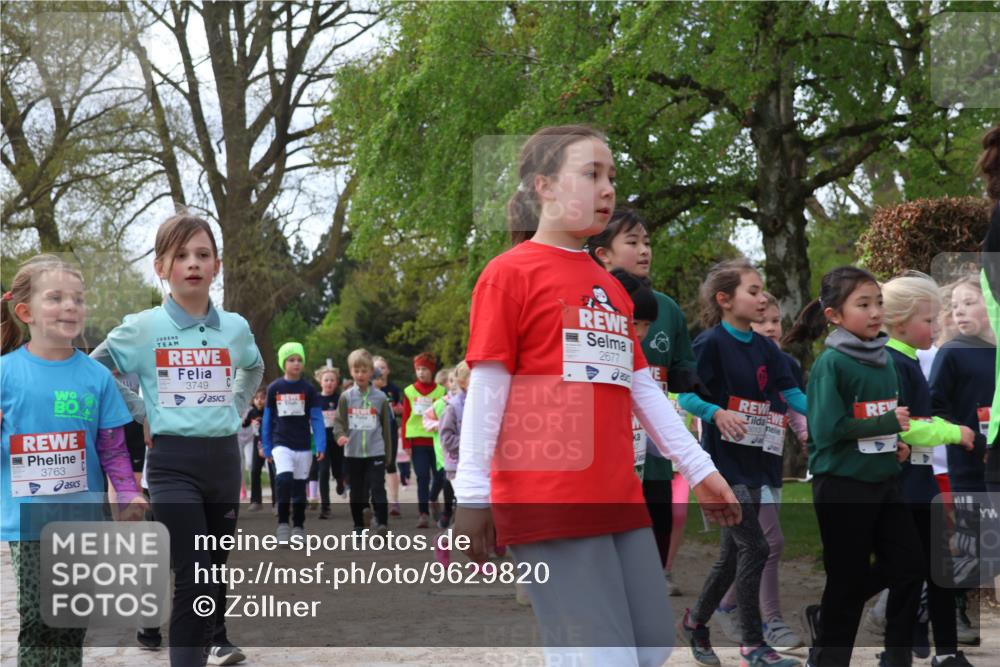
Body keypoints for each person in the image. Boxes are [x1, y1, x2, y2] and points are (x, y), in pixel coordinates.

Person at [453, 124, 740, 667]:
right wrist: (472, 495)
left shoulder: (608, 284)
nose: (608, 189)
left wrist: (698, 469)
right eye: (591, 174)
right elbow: (487, 389)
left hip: (619, 497)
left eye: (611, 176)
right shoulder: (506, 274)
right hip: (549, 496)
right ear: (544, 186)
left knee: (650, 647)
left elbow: (641, 389)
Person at [92, 214, 263, 666]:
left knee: (212, 570)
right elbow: (96, 368)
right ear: (161, 267)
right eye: (181, 255)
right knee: (192, 574)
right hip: (170, 463)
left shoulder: (236, 327)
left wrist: (236, 405)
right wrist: (142, 411)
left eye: (202, 255)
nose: (193, 263)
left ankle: (211, 639)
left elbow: (254, 366)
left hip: (225, 461)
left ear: (217, 266)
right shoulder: (142, 327)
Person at [1, 255, 146, 666]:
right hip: (28, 520)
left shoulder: (97, 377)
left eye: (78, 299)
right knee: (39, 617)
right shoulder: (5, 373)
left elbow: (113, 446)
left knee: (71, 621)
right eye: (57, 297)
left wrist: (128, 491)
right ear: (25, 311)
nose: (70, 306)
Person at [784, 266, 923, 667]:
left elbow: (877, 422)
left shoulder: (886, 359)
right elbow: (826, 431)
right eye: (863, 304)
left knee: (910, 568)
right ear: (835, 316)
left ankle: (896, 659)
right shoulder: (833, 364)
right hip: (843, 487)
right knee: (846, 586)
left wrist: (894, 444)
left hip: (884, 482)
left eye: (878, 302)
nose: (876, 311)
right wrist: (885, 425)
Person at [676, 259, 805, 667]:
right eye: (753, 290)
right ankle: (753, 643)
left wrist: (825, 418)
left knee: (732, 555)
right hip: (725, 466)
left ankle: (696, 622)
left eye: (762, 290)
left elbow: (790, 394)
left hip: (759, 460)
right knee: (756, 544)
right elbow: (686, 396)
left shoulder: (767, 348)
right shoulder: (710, 344)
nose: (762, 296)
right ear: (725, 299)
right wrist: (717, 413)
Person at [588, 208, 708, 596]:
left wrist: (693, 389)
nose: (644, 251)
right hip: (600, 445)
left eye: (648, 243)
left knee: (656, 515)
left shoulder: (667, 308)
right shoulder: (586, 302)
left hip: (653, 446)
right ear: (602, 253)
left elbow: (681, 365)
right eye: (633, 242)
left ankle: (649, 581)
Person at [713, 292, 807, 653]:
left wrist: (804, 433)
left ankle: (723, 606)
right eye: (761, 321)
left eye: (776, 321)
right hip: (735, 468)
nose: (770, 327)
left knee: (749, 549)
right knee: (769, 543)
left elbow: (792, 402)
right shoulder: (729, 359)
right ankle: (772, 622)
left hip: (769, 462)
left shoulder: (785, 364)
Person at [262, 342, 326, 543]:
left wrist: (321, 444)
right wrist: (266, 446)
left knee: (299, 489)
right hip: (281, 443)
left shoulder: (309, 389)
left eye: (299, 360)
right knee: (284, 480)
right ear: (283, 363)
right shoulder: (274, 388)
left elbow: (316, 418)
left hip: (304, 445)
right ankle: (282, 524)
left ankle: (298, 526)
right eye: (291, 360)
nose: (296, 363)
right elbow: (267, 420)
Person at [334, 348, 394, 535]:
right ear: (351, 371)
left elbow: (386, 429)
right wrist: (340, 435)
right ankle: (359, 525)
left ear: (371, 372)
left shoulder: (380, 398)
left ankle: (382, 523)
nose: (360, 374)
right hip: (353, 453)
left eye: (364, 371)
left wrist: (388, 455)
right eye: (356, 370)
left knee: (377, 487)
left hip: (376, 451)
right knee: (357, 491)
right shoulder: (346, 397)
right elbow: (338, 422)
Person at [402, 352, 446, 527]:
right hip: (417, 440)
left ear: (432, 371)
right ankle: (423, 513)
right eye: (418, 369)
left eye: (425, 369)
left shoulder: (441, 391)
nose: (421, 372)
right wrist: (406, 442)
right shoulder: (409, 391)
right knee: (421, 477)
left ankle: (433, 498)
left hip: (436, 440)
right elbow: (405, 418)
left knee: (440, 476)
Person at [373, 356, 407, 514]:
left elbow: (399, 409)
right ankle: (376, 502)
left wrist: (397, 410)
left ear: (388, 370)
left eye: (383, 367)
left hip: (390, 431)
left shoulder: (393, 389)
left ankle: (394, 502)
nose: (380, 371)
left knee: (390, 464)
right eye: (376, 367)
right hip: (372, 432)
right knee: (373, 467)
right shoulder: (369, 389)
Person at [315, 366, 343, 518]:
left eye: (332, 380)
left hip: (337, 439)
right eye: (326, 380)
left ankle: (340, 481)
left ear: (337, 382)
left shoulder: (340, 399)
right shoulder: (316, 399)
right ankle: (325, 507)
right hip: (322, 440)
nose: (329, 383)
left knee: (338, 469)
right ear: (320, 382)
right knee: (323, 471)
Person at [243, 388, 274, 512]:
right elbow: (244, 424)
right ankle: (256, 501)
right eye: (256, 398)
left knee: (273, 472)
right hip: (257, 444)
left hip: (270, 443)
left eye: (262, 398)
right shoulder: (252, 412)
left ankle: (276, 502)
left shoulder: (270, 411)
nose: (259, 401)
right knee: (255, 471)